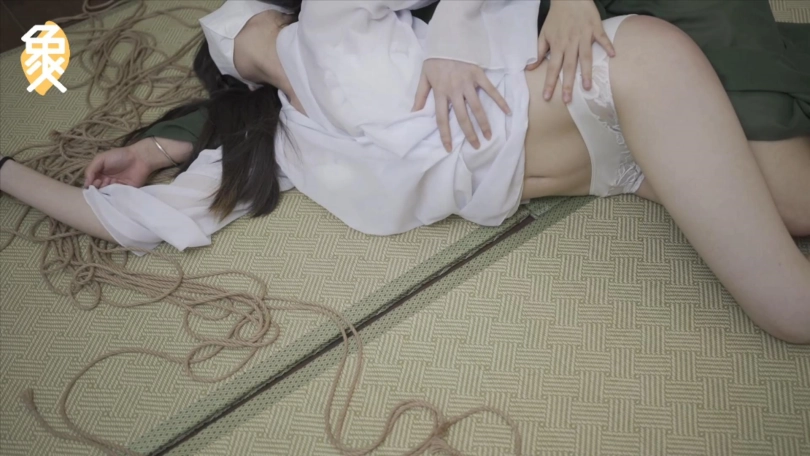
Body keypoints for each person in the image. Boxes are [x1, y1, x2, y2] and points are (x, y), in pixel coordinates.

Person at [1, 0, 809, 344]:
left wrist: (455, 36)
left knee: (789, 299)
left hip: (624, 71)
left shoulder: (341, 21)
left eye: (251, 25)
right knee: (791, 223)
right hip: (619, 163)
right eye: (239, 45)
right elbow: (129, 219)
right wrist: (11, 170)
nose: (252, 41)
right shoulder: (286, 147)